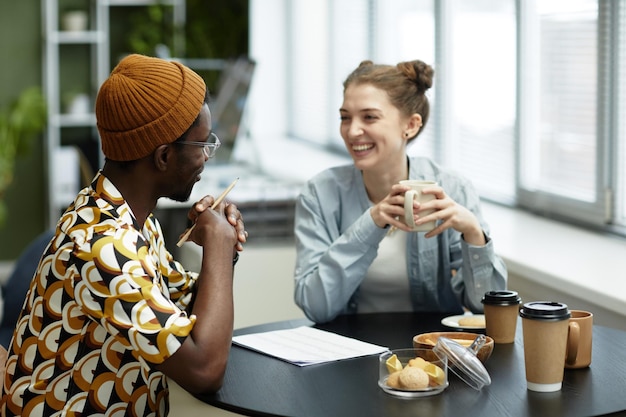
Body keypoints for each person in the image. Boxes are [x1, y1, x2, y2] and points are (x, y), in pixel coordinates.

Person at [1, 54, 247, 416]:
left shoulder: (126, 216)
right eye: (202, 144)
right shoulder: (103, 246)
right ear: (163, 156)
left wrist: (223, 251)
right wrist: (220, 247)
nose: (207, 156)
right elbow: (204, 368)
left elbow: (186, 317)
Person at [293, 59, 507, 324]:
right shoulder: (320, 194)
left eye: (369, 117)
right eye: (345, 117)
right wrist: (371, 223)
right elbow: (316, 306)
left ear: (411, 125)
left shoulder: (452, 189)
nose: (352, 130)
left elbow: (488, 310)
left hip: (430, 354)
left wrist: (474, 234)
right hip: (348, 353)